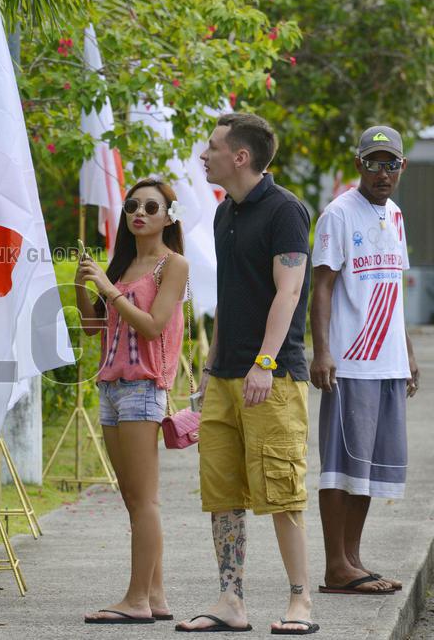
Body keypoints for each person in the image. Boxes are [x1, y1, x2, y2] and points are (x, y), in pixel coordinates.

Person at [176, 113, 319, 635]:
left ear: (240, 157)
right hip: (227, 377)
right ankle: (230, 601)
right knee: (223, 494)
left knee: (282, 490)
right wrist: (212, 368)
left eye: (212, 147)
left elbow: (289, 292)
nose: (204, 155)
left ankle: (300, 601)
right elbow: (231, 302)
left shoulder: (286, 211)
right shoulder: (223, 215)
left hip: (273, 378)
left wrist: (264, 362)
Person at [310, 126, 419, 595]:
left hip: (388, 364)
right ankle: (336, 565)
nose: (382, 172)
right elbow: (322, 287)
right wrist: (322, 351)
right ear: (358, 165)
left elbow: (394, 291)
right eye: (373, 163)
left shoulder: (394, 214)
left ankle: (353, 562)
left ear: (402, 167)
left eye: (390, 163)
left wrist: (408, 353)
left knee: (370, 469)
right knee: (341, 465)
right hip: (350, 363)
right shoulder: (337, 214)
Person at [75, 178, 189, 625]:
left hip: (144, 388)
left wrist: (108, 288)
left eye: (150, 206)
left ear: (167, 217)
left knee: (145, 501)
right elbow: (92, 329)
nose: (139, 212)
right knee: (131, 498)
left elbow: (153, 325)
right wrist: (85, 286)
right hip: (110, 388)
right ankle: (155, 596)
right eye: (132, 206)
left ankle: (137, 599)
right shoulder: (120, 265)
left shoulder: (172, 265)